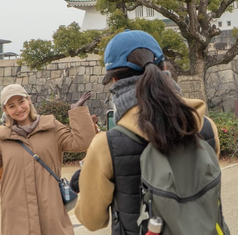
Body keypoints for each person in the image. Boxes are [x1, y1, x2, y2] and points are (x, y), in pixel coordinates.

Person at [73, 30, 226, 235]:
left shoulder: (106, 146)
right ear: (164, 68)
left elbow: (92, 220)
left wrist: (86, 178)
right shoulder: (204, 126)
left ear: (114, 80)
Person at [0, 82, 94, 234]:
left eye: (21, 102)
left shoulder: (51, 127)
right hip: (17, 215)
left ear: (29, 100)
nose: (19, 109)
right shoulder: (2, 138)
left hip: (50, 210)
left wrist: (77, 111)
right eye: (11, 106)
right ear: (5, 110)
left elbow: (81, 142)